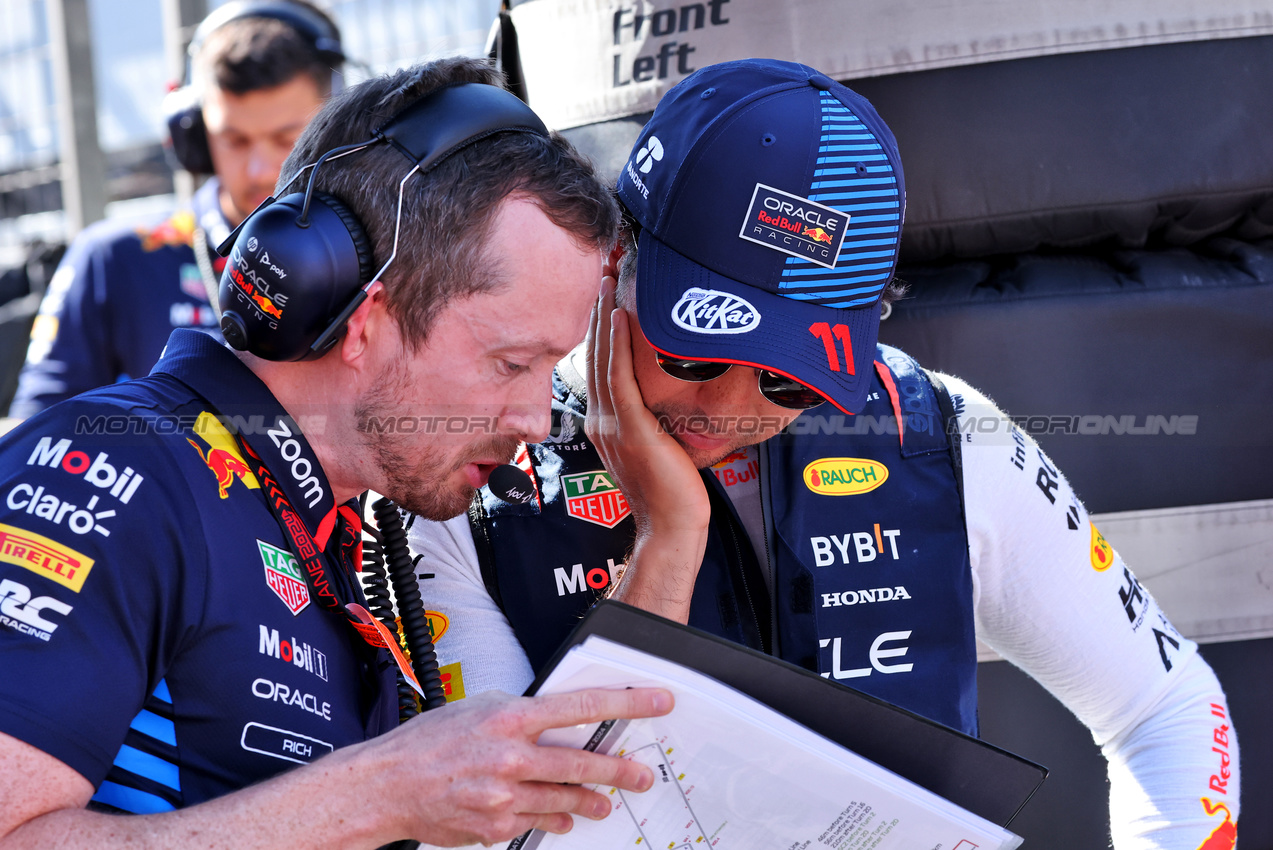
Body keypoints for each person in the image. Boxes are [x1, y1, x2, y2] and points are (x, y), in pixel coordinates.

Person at [408, 59, 1241, 848]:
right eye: (693, 354)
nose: (728, 412)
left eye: (791, 383)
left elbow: (1165, 705)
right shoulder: (467, 484)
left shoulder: (945, 438)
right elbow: (511, 837)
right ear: (611, 262)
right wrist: (667, 546)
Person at [0, 58, 676, 847]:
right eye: (510, 363)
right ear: (363, 320)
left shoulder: (313, 520)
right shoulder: (116, 474)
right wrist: (379, 792)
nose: (535, 418)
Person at [9, 0, 341, 417]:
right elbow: (38, 430)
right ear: (194, 138)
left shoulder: (380, 262)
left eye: (286, 138)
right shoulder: (114, 259)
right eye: (234, 140)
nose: (259, 170)